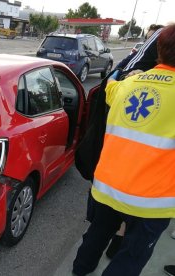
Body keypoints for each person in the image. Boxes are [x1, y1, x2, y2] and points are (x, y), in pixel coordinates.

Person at [72, 24, 175, 276]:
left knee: (96, 234)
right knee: (132, 255)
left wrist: (133, 75)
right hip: (152, 200)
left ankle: (80, 270)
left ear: (158, 49)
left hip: (108, 187)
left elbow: (111, 83)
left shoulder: (126, 86)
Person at [103, 23, 165, 259]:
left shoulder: (133, 80)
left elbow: (113, 84)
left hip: (123, 172)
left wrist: (123, 76)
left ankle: (115, 238)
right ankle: (119, 238)